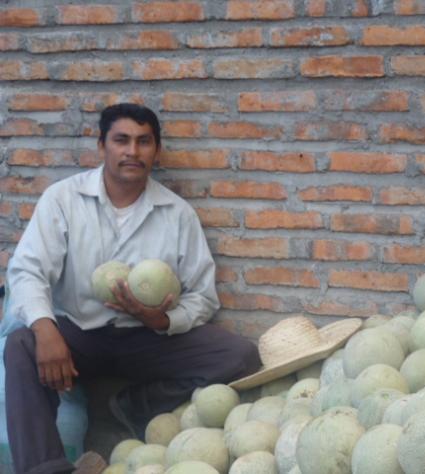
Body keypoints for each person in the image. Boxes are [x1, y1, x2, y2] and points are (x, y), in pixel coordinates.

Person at [4, 103, 261, 474]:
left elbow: (203, 296)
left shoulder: (176, 213)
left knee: (239, 356)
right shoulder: (63, 200)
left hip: (147, 340)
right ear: (102, 146)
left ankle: (135, 406)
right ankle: (46, 468)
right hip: (80, 335)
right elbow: (27, 269)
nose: (132, 151)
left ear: (156, 150)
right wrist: (46, 330)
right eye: (121, 140)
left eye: (144, 141)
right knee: (21, 346)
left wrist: (162, 320)